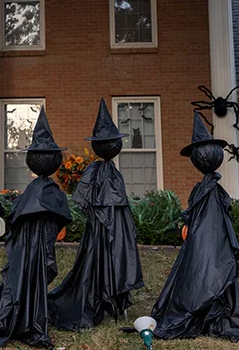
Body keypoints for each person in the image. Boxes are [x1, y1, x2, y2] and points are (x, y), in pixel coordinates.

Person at [151, 112, 239, 341]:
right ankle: (212, 309)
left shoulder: (208, 190)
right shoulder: (208, 189)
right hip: (205, 244)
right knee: (209, 268)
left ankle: (210, 309)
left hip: (210, 246)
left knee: (210, 269)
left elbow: (209, 224)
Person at [0, 107, 72, 348]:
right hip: (28, 245)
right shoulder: (44, 191)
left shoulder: (37, 191)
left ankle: (31, 313)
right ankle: (26, 317)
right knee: (27, 272)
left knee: (36, 270)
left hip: (38, 240)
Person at [48, 98, 144, 331]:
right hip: (98, 229)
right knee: (97, 256)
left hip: (116, 227)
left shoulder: (113, 173)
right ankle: (98, 295)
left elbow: (116, 202)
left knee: (117, 254)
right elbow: (84, 199)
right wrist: (98, 213)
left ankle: (114, 295)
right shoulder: (95, 170)